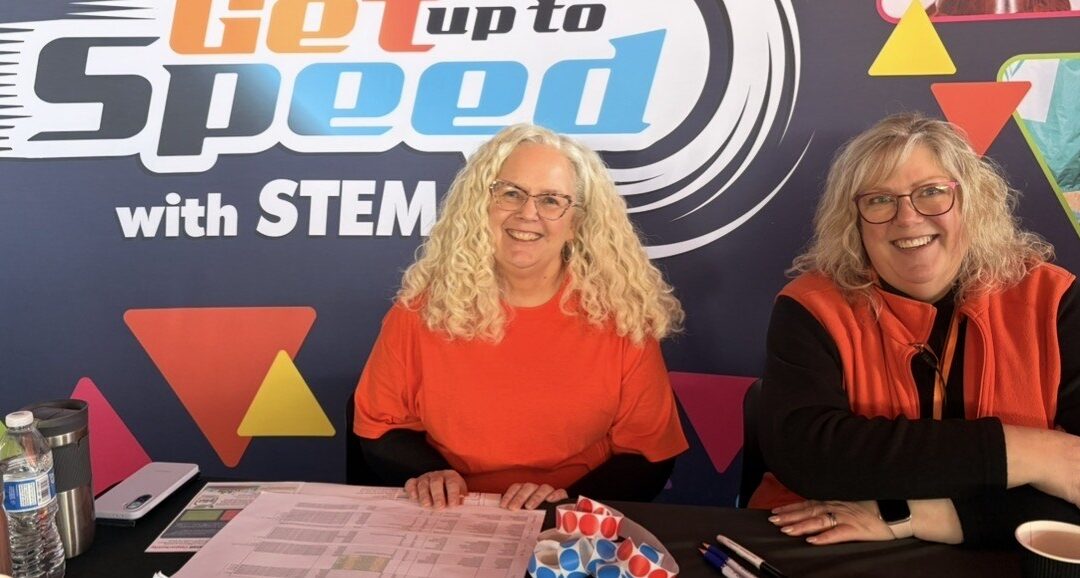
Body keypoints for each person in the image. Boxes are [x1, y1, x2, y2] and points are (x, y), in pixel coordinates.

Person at [753, 113, 1080, 547]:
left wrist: (914, 516)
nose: (907, 218)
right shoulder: (810, 305)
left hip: (1000, 548)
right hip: (832, 539)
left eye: (932, 192)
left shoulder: (1054, 301)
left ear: (971, 202)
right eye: (879, 200)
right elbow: (809, 455)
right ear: (854, 221)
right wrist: (1037, 454)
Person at [352, 124, 688, 511]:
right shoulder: (420, 311)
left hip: (567, 520)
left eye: (551, 200)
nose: (528, 213)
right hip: (451, 513)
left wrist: (567, 503)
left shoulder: (623, 318)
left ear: (577, 223)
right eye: (511, 193)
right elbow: (381, 427)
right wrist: (431, 473)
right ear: (481, 206)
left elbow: (647, 456)